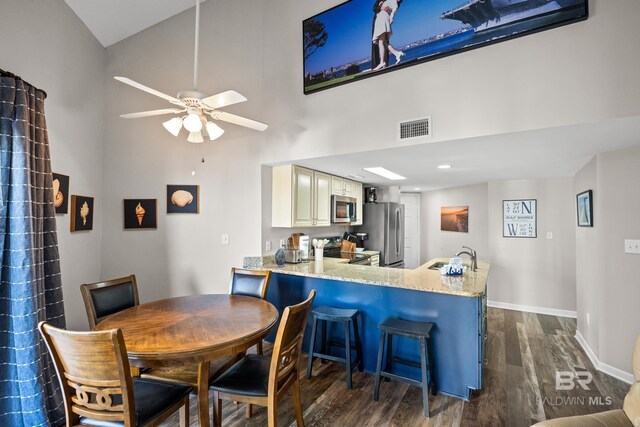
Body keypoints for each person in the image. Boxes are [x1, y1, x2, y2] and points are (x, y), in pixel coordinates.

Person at [371, 0, 405, 71]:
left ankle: (382, 62)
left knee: (381, 42)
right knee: (384, 43)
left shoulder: (394, 1)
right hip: (380, 17)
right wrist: (380, 6)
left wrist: (391, 17)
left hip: (383, 17)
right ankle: (396, 53)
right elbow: (375, 8)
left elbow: (394, 10)